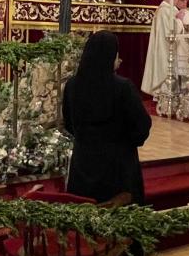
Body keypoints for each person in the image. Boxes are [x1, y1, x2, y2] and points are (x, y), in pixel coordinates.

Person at [61, 31, 151, 205]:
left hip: (82, 167)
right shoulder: (123, 87)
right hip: (118, 172)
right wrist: (127, 142)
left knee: (83, 225)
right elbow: (142, 125)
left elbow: (69, 123)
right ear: (110, 55)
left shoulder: (72, 85)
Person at [141, 0, 178, 96]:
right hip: (165, 46)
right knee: (165, 67)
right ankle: (164, 93)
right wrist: (180, 21)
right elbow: (169, 30)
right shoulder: (164, 11)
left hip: (168, 45)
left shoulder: (170, 9)